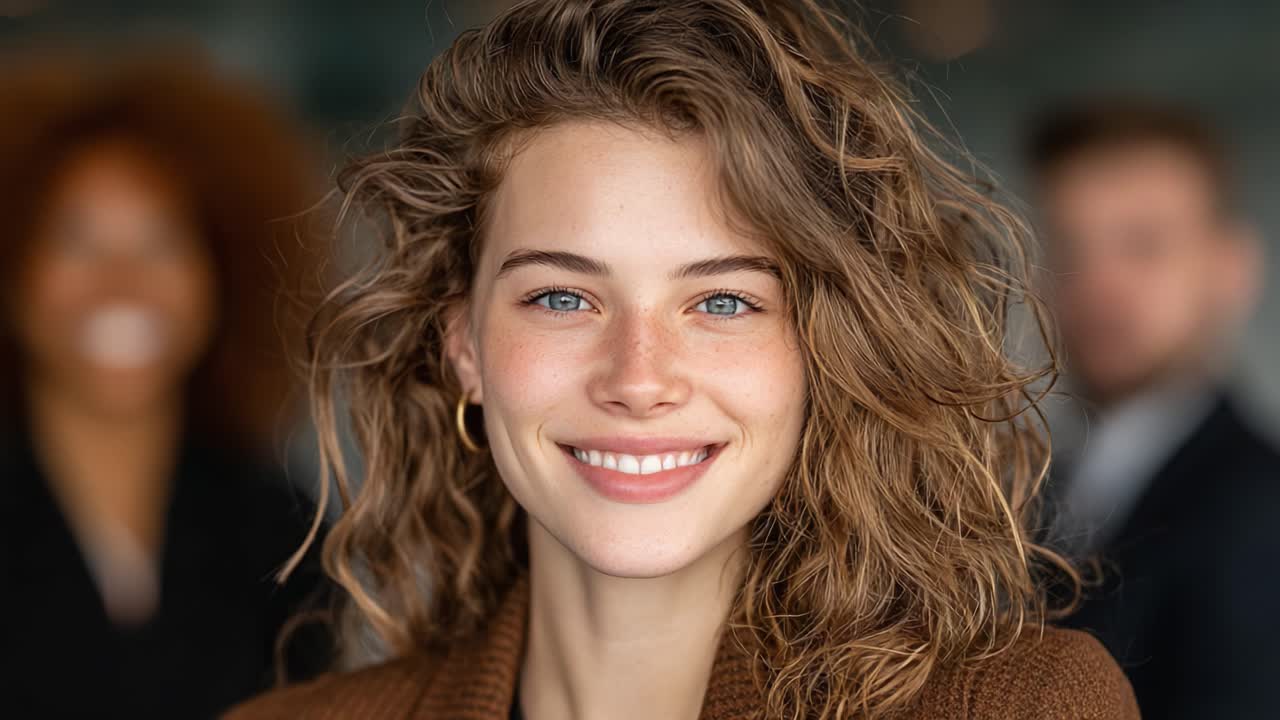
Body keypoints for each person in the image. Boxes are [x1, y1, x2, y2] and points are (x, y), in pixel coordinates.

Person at [228, 1, 1138, 718]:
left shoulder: (1020, 708)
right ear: (462, 344)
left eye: (723, 302)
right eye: (562, 297)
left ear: (823, 349)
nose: (637, 377)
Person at [0, 46, 332, 718]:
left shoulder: (286, 531)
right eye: (74, 240)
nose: (121, 282)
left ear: (223, 274)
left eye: (162, 242)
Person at [1028, 100, 1280, 717]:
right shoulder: (1040, 486)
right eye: (1071, 248)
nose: (1098, 282)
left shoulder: (1261, 510)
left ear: (1232, 269)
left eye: (1142, 246)